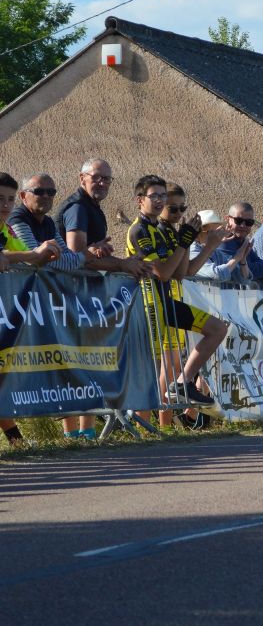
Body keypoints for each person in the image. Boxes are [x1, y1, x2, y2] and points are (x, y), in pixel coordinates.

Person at [55, 159, 151, 439]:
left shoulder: (91, 207)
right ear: (82, 178)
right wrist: (122, 264)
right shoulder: (77, 207)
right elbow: (78, 255)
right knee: (73, 363)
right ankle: (72, 435)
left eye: (107, 178)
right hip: (69, 295)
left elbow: (91, 255)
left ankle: (86, 432)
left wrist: (120, 262)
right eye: (96, 177)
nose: (102, 183)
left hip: (83, 296)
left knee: (87, 362)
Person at [126, 175, 225, 407]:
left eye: (163, 196)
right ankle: (148, 423)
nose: (160, 201)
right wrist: (183, 242)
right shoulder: (139, 230)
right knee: (153, 370)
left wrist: (194, 244)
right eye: (156, 196)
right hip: (149, 303)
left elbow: (181, 273)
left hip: (168, 301)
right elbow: (162, 273)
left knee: (217, 329)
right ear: (140, 200)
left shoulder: (165, 231)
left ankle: (182, 384)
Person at [0, 172, 61, 450]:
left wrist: (41, 254)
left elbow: (29, 258)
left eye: (10, 199)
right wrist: (30, 255)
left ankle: (17, 442)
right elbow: (27, 256)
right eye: (0, 199)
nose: (5, 205)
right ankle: (16, 442)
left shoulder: (6, 230)